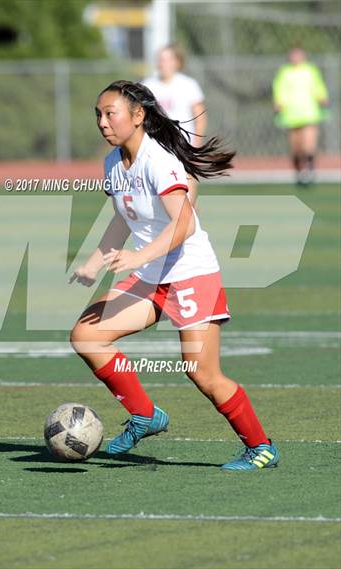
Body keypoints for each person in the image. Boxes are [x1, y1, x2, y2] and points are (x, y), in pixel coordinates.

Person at [69, 80, 279, 471]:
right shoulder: (113, 162)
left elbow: (183, 225)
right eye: (97, 114)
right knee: (87, 336)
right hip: (151, 273)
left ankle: (260, 447)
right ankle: (145, 415)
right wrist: (94, 262)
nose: (101, 121)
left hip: (190, 273)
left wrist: (138, 257)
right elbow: (121, 218)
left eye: (109, 113)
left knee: (203, 373)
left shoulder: (159, 160)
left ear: (138, 115)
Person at [142, 44, 206, 205]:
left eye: (167, 59)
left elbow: (200, 116)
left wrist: (196, 145)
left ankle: (190, 222)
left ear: (177, 62)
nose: (162, 63)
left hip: (182, 144)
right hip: (157, 146)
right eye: (160, 59)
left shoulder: (188, 85)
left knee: (187, 197)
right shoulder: (148, 85)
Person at [273, 46, 329, 186]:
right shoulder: (284, 72)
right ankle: (299, 173)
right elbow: (280, 89)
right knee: (297, 148)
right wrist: (278, 103)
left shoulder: (311, 70)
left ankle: (310, 171)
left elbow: (318, 86)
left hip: (309, 113)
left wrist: (322, 97)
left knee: (309, 145)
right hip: (291, 115)